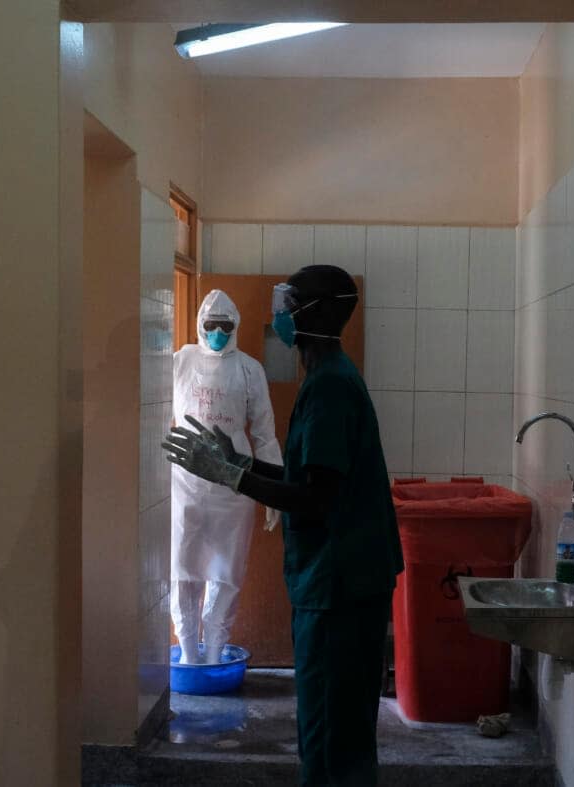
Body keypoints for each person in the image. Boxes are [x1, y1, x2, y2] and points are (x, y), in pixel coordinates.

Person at [164, 265, 403, 786]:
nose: (277, 313)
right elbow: (306, 473)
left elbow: (316, 496)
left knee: (330, 733)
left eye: (286, 302)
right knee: (331, 726)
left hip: (340, 584)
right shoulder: (324, 377)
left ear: (310, 313)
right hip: (339, 580)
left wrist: (232, 475)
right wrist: (239, 462)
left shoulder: (331, 388)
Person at [170, 289, 281, 665]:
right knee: (183, 570)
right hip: (185, 484)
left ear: (235, 327)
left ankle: (215, 653)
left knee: (225, 572)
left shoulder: (250, 369)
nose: (217, 331)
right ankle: (188, 654)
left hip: (234, 486)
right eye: (211, 325)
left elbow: (265, 432)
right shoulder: (180, 362)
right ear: (200, 325)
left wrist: (273, 493)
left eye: (225, 325)